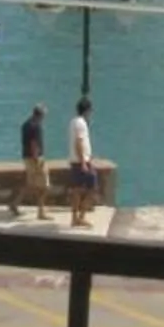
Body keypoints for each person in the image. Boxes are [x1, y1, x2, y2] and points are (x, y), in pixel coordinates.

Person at [67, 94, 97, 229]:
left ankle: (75, 218)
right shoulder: (81, 123)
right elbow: (79, 142)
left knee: (76, 190)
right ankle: (81, 217)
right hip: (81, 162)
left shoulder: (73, 121)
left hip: (76, 161)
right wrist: (84, 162)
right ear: (87, 110)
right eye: (90, 110)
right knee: (92, 188)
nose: (91, 113)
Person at [20, 100, 49, 217]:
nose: (44, 118)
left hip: (26, 157)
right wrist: (37, 159)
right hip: (35, 158)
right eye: (44, 115)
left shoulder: (25, 124)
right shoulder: (36, 126)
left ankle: (15, 204)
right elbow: (34, 143)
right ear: (40, 115)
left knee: (30, 184)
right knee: (45, 186)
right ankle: (41, 212)